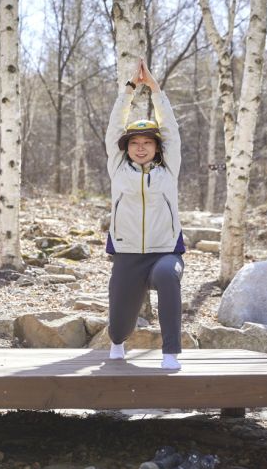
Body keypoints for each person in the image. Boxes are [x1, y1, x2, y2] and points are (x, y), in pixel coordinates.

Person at [105, 58, 185, 370]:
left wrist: (154, 89)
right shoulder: (118, 169)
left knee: (167, 276)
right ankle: (117, 342)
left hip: (165, 250)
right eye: (135, 143)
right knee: (120, 323)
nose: (140, 147)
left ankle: (170, 354)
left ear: (156, 147)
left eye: (147, 142)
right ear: (127, 148)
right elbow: (114, 128)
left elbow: (171, 130)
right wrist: (128, 90)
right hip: (126, 253)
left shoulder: (169, 170)